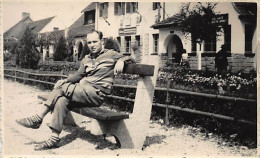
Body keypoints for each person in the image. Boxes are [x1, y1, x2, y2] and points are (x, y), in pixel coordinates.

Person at [16, 30, 135, 150]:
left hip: (96, 94)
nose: (92, 45)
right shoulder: (87, 59)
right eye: (89, 43)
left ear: (101, 41)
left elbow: (131, 57)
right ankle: (54, 138)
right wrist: (65, 81)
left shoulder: (110, 54)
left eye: (95, 41)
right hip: (83, 92)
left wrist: (121, 60)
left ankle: (37, 118)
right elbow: (78, 75)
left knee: (61, 89)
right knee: (62, 100)